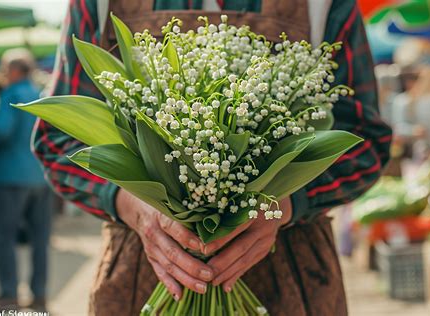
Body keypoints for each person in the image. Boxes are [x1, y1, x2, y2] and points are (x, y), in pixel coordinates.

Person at [34, 0, 392, 315]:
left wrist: (285, 205)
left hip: (292, 275)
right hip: (142, 273)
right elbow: (58, 137)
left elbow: (365, 143)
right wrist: (132, 205)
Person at [0, 49, 53, 312]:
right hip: (40, 178)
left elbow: (1, 131)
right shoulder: (41, 94)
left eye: (4, 68)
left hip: (10, 177)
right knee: (40, 239)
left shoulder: (11, 94)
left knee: (4, 237)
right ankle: (39, 295)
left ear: (14, 70)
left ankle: (9, 294)